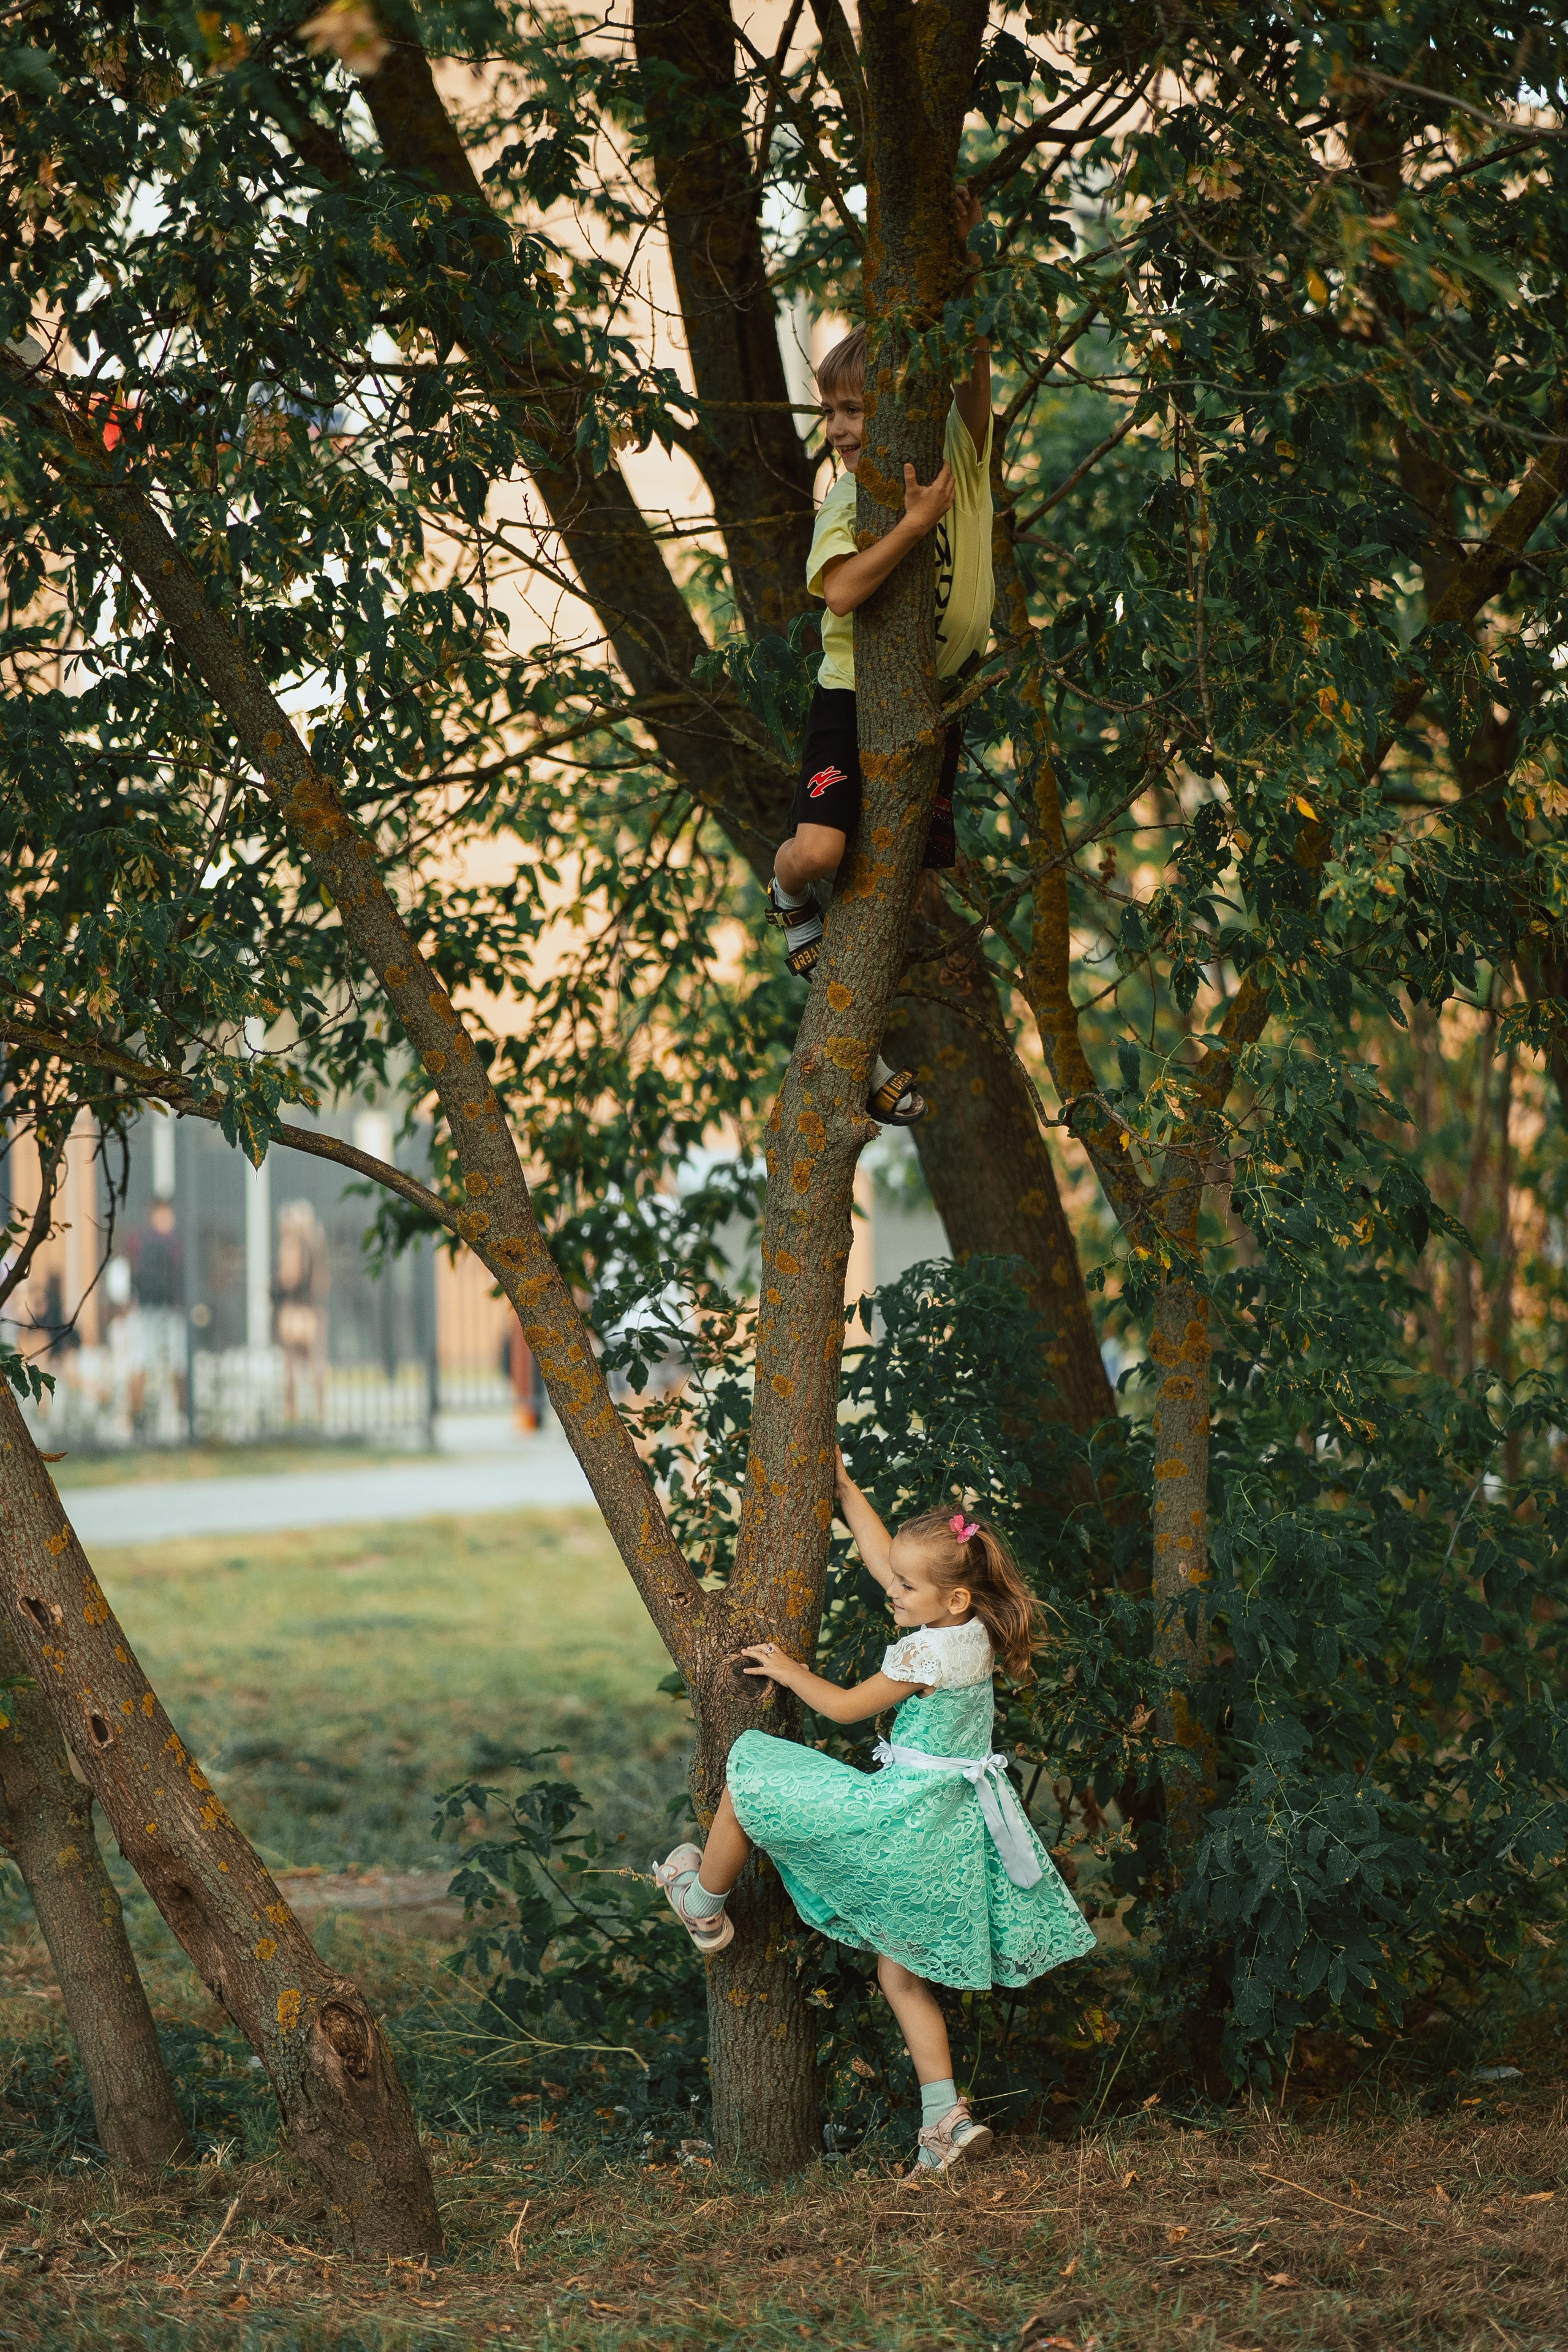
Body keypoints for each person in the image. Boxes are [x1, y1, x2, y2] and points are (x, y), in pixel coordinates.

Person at [653, 1450, 1095, 2180]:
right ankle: (942, 2119)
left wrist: (792, 1672)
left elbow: (848, 1708)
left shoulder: (925, 1653)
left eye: (906, 1586)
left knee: (752, 1772)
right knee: (902, 1977)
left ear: (948, 1599)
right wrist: (847, 1492)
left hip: (899, 1821)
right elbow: (883, 1558)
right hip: (946, 1835)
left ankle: (703, 1905)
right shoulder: (973, 1632)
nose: (892, 1590)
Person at [767, 186, 995, 1127]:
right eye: (831, 414)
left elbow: (976, 361)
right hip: (850, 703)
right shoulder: (850, 504)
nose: (844, 430)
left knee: (903, 884)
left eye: (857, 409)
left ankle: (859, 1056)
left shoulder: (958, 459)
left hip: (935, 707)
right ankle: (783, 896)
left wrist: (964, 245)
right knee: (823, 852)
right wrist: (910, 527)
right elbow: (844, 593)